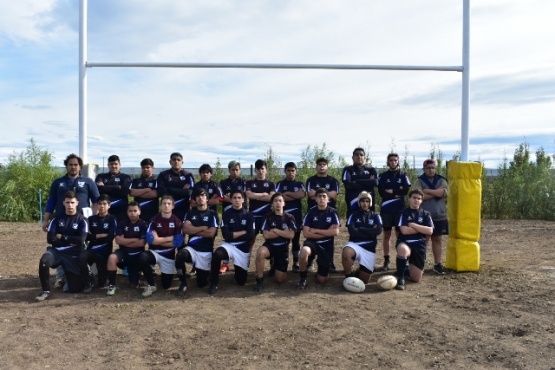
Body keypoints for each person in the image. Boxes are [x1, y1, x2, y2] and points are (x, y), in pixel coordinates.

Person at [41, 153, 100, 289]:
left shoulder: (88, 182)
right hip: (62, 222)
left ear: (80, 167)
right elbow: (51, 202)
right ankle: (60, 277)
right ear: (66, 166)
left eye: (75, 165)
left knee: (81, 248)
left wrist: (94, 218)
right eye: (70, 164)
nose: (73, 167)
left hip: (81, 222)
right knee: (60, 247)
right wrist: (46, 220)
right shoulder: (58, 182)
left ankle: (86, 274)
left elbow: (96, 201)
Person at [36, 191, 88, 301]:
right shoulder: (56, 219)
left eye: (72, 202)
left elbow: (80, 240)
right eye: (68, 202)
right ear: (63, 203)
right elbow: (50, 239)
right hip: (56, 252)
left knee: (75, 289)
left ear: (77, 203)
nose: (70, 205)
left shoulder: (82, 220)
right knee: (44, 261)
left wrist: (63, 237)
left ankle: (68, 277)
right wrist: (70, 240)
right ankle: (45, 291)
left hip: (72, 255)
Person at [209, 190, 255, 294]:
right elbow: (226, 236)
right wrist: (242, 232)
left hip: (242, 248)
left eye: (239, 198)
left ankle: (238, 268)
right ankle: (214, 282)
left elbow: (251, 235)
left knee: (241, 282)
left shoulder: (249, 215)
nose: (237, 200)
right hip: (229, 245)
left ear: (243, 200)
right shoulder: (227, 214)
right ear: (231, 200)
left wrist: (234, 234)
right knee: (217, 254)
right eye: (234, 198)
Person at [175, 188, 219, 295]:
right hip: (192, 249)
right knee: (180, 255)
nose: (200, 198)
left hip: (206, 251)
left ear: (207, 199)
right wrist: (203, 227)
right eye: (198, 196)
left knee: (201, 284)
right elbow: (185, 229)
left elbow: (211, 234)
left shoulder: (213, 214)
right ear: (195, 199)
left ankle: (207, 274)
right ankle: (183, 283)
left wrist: (193, 229)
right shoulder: (190, 214)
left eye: (203, 195)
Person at [138, 195, 184, 298]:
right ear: (160, 206)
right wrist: (170, 238)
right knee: (142, 257)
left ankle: (163, 276)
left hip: (168, 255)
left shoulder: (177, 222)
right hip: (154, 252)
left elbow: (178, 243)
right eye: (164, 203)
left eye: (169, 204)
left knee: (166, 286)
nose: (166, 206)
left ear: (173, 206)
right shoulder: (154, 220)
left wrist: (158, 240)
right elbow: (150, 240)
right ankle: (151, 284)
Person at [297, 188, 340, 289]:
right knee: (303, 252)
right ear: (315, 199)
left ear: (328, 199)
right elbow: (306, 234)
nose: (321, 199)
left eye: (324, 196)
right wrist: (326, 232)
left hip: (326, 245)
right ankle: (303, 278)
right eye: (319, 196)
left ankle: (322, 270)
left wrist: (316, 230)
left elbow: (335, 232)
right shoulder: (310, 212)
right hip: (312, 242)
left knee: (322, 280)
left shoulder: (333, 212)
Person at [254, 193, 297, 292]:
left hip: (283, 248)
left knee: (280, 280)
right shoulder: (267, 216)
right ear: (272, 203)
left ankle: (275, 264)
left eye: (280, 201)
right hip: (270, 246)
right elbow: (266, 235)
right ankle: (259, 279)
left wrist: (275, 230)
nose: (278, 203)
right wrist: (283, 231)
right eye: (275, 201)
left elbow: (291, 235)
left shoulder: (290, 217)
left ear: (284, 203)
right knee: (260, 252)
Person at [413, 159, 449, 275]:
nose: (431, 170)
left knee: (437, 239)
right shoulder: (419, 181)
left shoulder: (441, 180)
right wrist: (436, 192)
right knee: (424, 240)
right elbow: (418, 196)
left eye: (433, 168)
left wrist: (427, 191)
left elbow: (444, 193)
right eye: (428, 168)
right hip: (423, 217)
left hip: (439, 215)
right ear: (424, 169)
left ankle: (437, 264)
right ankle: (420, 263)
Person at [105, 202, 148, 296]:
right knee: (112, 258)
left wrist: (125, 240)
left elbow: (142, 243)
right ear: (127, 212)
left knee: (133, 284)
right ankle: (112, 285)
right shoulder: (122, 223)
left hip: (137, 255)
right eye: (130, 211)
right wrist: (135, 240)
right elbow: (118, 240)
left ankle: (137, 276)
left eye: (135, 211)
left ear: (139, 212)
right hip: (123, 253)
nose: (132, 213)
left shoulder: (143, 225)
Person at [395, 189, 434, 291]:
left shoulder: (426, 214)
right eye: (414, 198)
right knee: (403, 250)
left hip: (419, 245)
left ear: (421, 201)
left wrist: (413, 225)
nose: (416, 200)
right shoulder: (403, 213)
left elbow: (430, 231)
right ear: (409, 199)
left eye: (419, 198)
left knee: (416, 279)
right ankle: (401, 278)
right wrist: (421, 229)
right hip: (405, 242)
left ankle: (405, 270)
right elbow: (404, 231)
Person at [377, 153, 411, 271]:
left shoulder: (403, 175)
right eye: (391, 160)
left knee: (399, 235)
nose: (393, 162)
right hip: (386, 209)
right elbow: (382, 192)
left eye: (395, 160)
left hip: (399, 210)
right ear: (388, 162)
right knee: (386, 235)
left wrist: (391, 190)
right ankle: (386, 260)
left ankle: (401, 259)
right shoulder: (382, 176)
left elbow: (405, 190)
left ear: (398, 161)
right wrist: (397, 190)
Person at [341, 191, 383, 284]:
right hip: (354, 245)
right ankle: (348, 276)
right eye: (362, 201)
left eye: (367, 201)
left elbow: (378, 231)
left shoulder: (376, 216)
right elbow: (352, 232)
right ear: (359, 203)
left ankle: (358, 271)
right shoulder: (353, 215)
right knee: (346, 253)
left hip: (369, 249)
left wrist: (360, 229)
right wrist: (370, 231)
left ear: (370, 203)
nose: (365, 203)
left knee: (365, 281)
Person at [78, 194, 117, 293]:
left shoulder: (112, 219)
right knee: (82, 257)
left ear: (109, 205)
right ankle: (88, 282)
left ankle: (103, 276)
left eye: (104, 204)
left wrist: (95, 236)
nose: (102, 206)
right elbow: (86, 236)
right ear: (96, 206)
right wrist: (101, 235)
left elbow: (109, 238)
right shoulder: (91, 219)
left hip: (104, 253)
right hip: (92, 250)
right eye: (99, 204)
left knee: (101, 284)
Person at [276, 162, 306, 272]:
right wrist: (294, 195)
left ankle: (296, 263)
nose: (290, 172)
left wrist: (287, 193)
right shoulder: (280, 183)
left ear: (296, 171)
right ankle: (281, 261)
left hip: (296, 216)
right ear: (285, 171)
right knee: (283, 239)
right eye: (288, 170)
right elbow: (279, 198)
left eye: (293, 170)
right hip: (283, 217)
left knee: (296, 240)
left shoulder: (299, 184)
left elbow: (301, 195)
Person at [218, 160, 247, 273]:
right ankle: (225, 263)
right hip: (228, 214)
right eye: (232, 170)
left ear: (239, 170)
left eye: (237, 169)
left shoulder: (244, 182)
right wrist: (234, 200)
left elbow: (243, 197)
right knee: (228, 237)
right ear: (229, 170)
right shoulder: (223, 182)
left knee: (242, 237)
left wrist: (230, 198)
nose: (235, 172)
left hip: (241, 214)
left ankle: (240, 260)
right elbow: (221, 197)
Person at [245, 159, 276, 248]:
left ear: (266, 170)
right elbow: (249, 195)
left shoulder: (271, 184)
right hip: (253, 215)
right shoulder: (249, 183)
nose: (260, 171)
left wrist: (256, 196)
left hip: (267, 215)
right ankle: (246, 261)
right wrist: (263, 194)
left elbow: (272, 197)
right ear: (255, 170)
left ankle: (272, 261)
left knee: (270, 240)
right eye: (258, 169)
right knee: (250, 241)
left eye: (262, 168)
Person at [157, 152, 195, 221]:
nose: (176, 161)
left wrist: (168, 189)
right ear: (170, 162)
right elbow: (161, 192)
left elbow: (189, 193)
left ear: (182, 162)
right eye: (174, 159)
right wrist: (182, 190)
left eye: (178, 160)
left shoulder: (188, 175)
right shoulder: (163, 175)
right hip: (167, 211)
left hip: (184, 211)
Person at [95, 154, 132, 222]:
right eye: (111, 164)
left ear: (119, 165)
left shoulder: (125, 177)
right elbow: (99, 190)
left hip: (121, 212)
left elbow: (124, 192)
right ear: (108, 165)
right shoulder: (101, 176)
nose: (113, 166)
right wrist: (118, 187)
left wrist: (105, 187)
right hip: (105, 212)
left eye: (116, 164)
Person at [342, 148, 378, 217]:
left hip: (368, 206)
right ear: (353, 158)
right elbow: (348, 184)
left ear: (365, 158)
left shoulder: (371, 170)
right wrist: (368, 183)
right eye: (356, 155)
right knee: (353, 227)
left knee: (370, 226)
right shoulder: (348, 170)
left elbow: (375, 182)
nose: (359, 156)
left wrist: (357, 181)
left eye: (361, 155)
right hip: (353, 205)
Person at [129, 158, 161, 224]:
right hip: (138, 215)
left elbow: (155, 194)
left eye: (147, 167)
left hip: (152, 214)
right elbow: (132, 193)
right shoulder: (136, 181)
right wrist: (147, 190)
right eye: (143, 168)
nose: (145, 169)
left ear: (152, 168)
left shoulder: (157, 181)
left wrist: (138, 193)